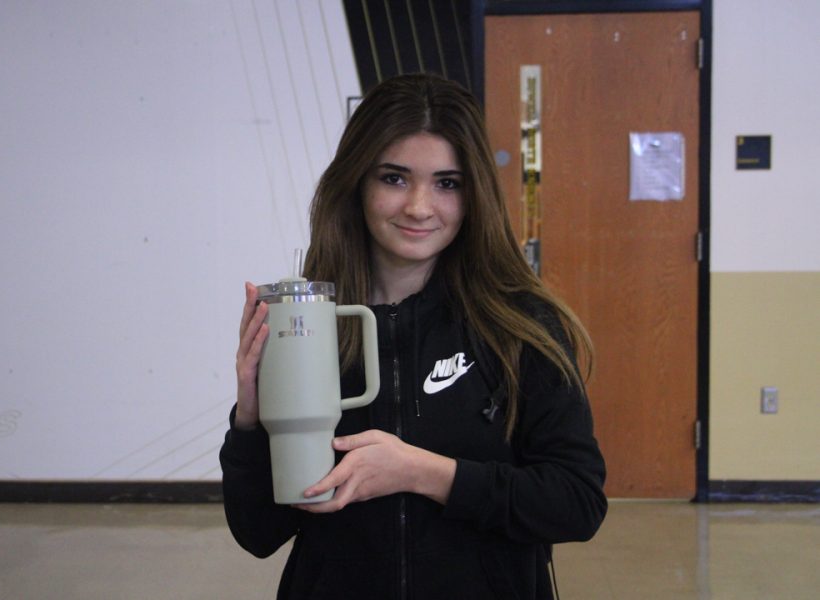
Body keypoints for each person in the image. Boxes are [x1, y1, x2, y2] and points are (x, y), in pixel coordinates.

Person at [220, 73, 606, 600]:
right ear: (357, 182)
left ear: (473, 196)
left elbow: (576, 503)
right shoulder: (307, 328)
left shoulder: (520, 324)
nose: (420, 207)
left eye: (447, 183)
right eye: (395, 178)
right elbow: (258, 534)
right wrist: (249, 419)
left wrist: (422, 473)